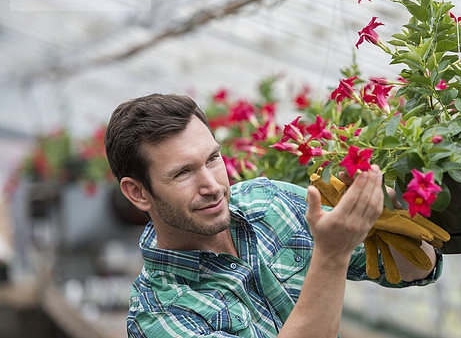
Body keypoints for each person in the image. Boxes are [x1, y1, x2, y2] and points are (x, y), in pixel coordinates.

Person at [104, 93, 442, 338]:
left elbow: (416, 269)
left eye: (212, 159)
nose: (212, 185)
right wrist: (332, 253)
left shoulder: (270, 204)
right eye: (182, 173)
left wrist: (382, 214)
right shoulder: (158, 315)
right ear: (138, 192)